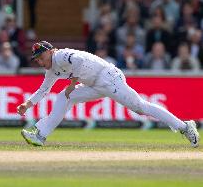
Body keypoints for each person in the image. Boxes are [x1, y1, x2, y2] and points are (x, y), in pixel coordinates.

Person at [17, 41, 200, 148]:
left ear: (50, 51)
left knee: (140, 107)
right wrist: (27, 104)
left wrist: (73, 82)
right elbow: (43, 90)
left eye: (41, 57)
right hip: (94, 84)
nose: (40, 62)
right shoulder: (51, 70)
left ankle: (185, 126)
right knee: (63, 97)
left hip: (108, 78)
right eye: (37, 60)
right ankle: (40, 135)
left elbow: (80, 62)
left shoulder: (62, 56)